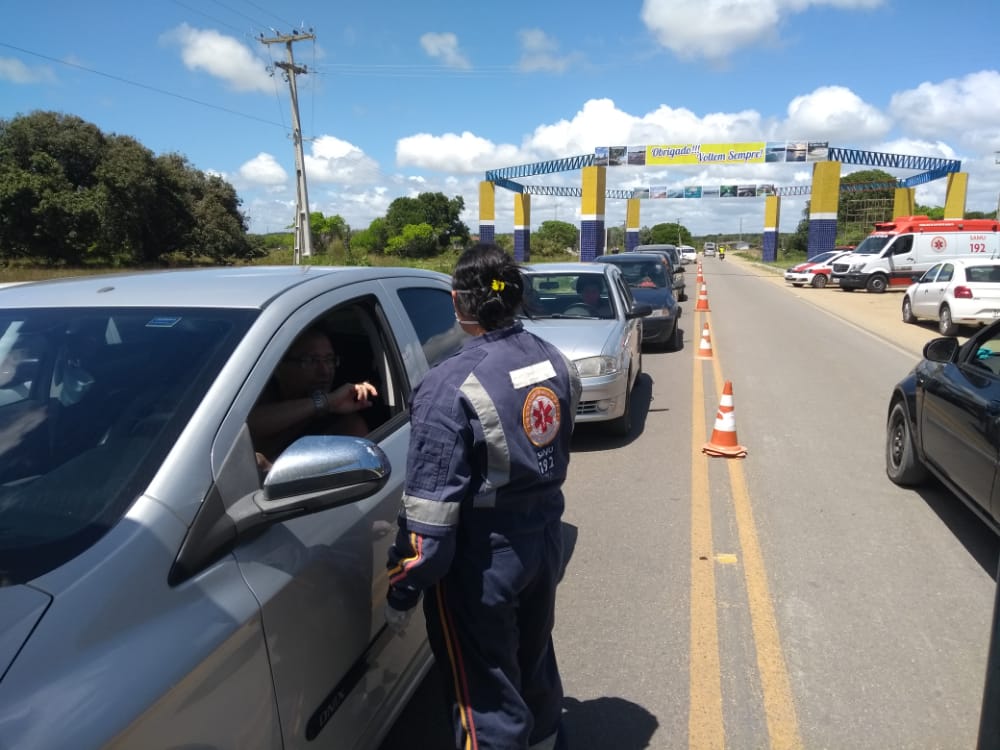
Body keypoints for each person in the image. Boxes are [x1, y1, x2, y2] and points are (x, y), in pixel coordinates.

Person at [385, 243, 581, 750]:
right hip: (541, 537)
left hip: (483, 565)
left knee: (485, 694)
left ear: (457, 303)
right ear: (514, 297)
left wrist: (404, 583)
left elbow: (431, 516)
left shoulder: (448, 384)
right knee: (532, 660)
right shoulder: (553, 358)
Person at [247, 326, 377, 468]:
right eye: (311, 360)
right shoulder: (255, 399)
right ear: (279, 366)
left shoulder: (346, 426)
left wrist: (268, 468)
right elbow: (245, 426)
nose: (325, 371)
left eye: (329, 360)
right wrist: (325, 402)